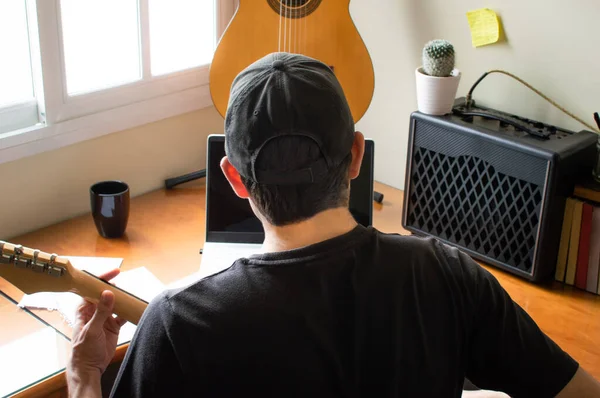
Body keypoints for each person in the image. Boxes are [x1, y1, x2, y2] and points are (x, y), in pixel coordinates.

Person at [66, 52, 600, 398]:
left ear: (232, 178)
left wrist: (85, 373)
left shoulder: (179, 323)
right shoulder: (448, 274)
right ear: (355, 157)